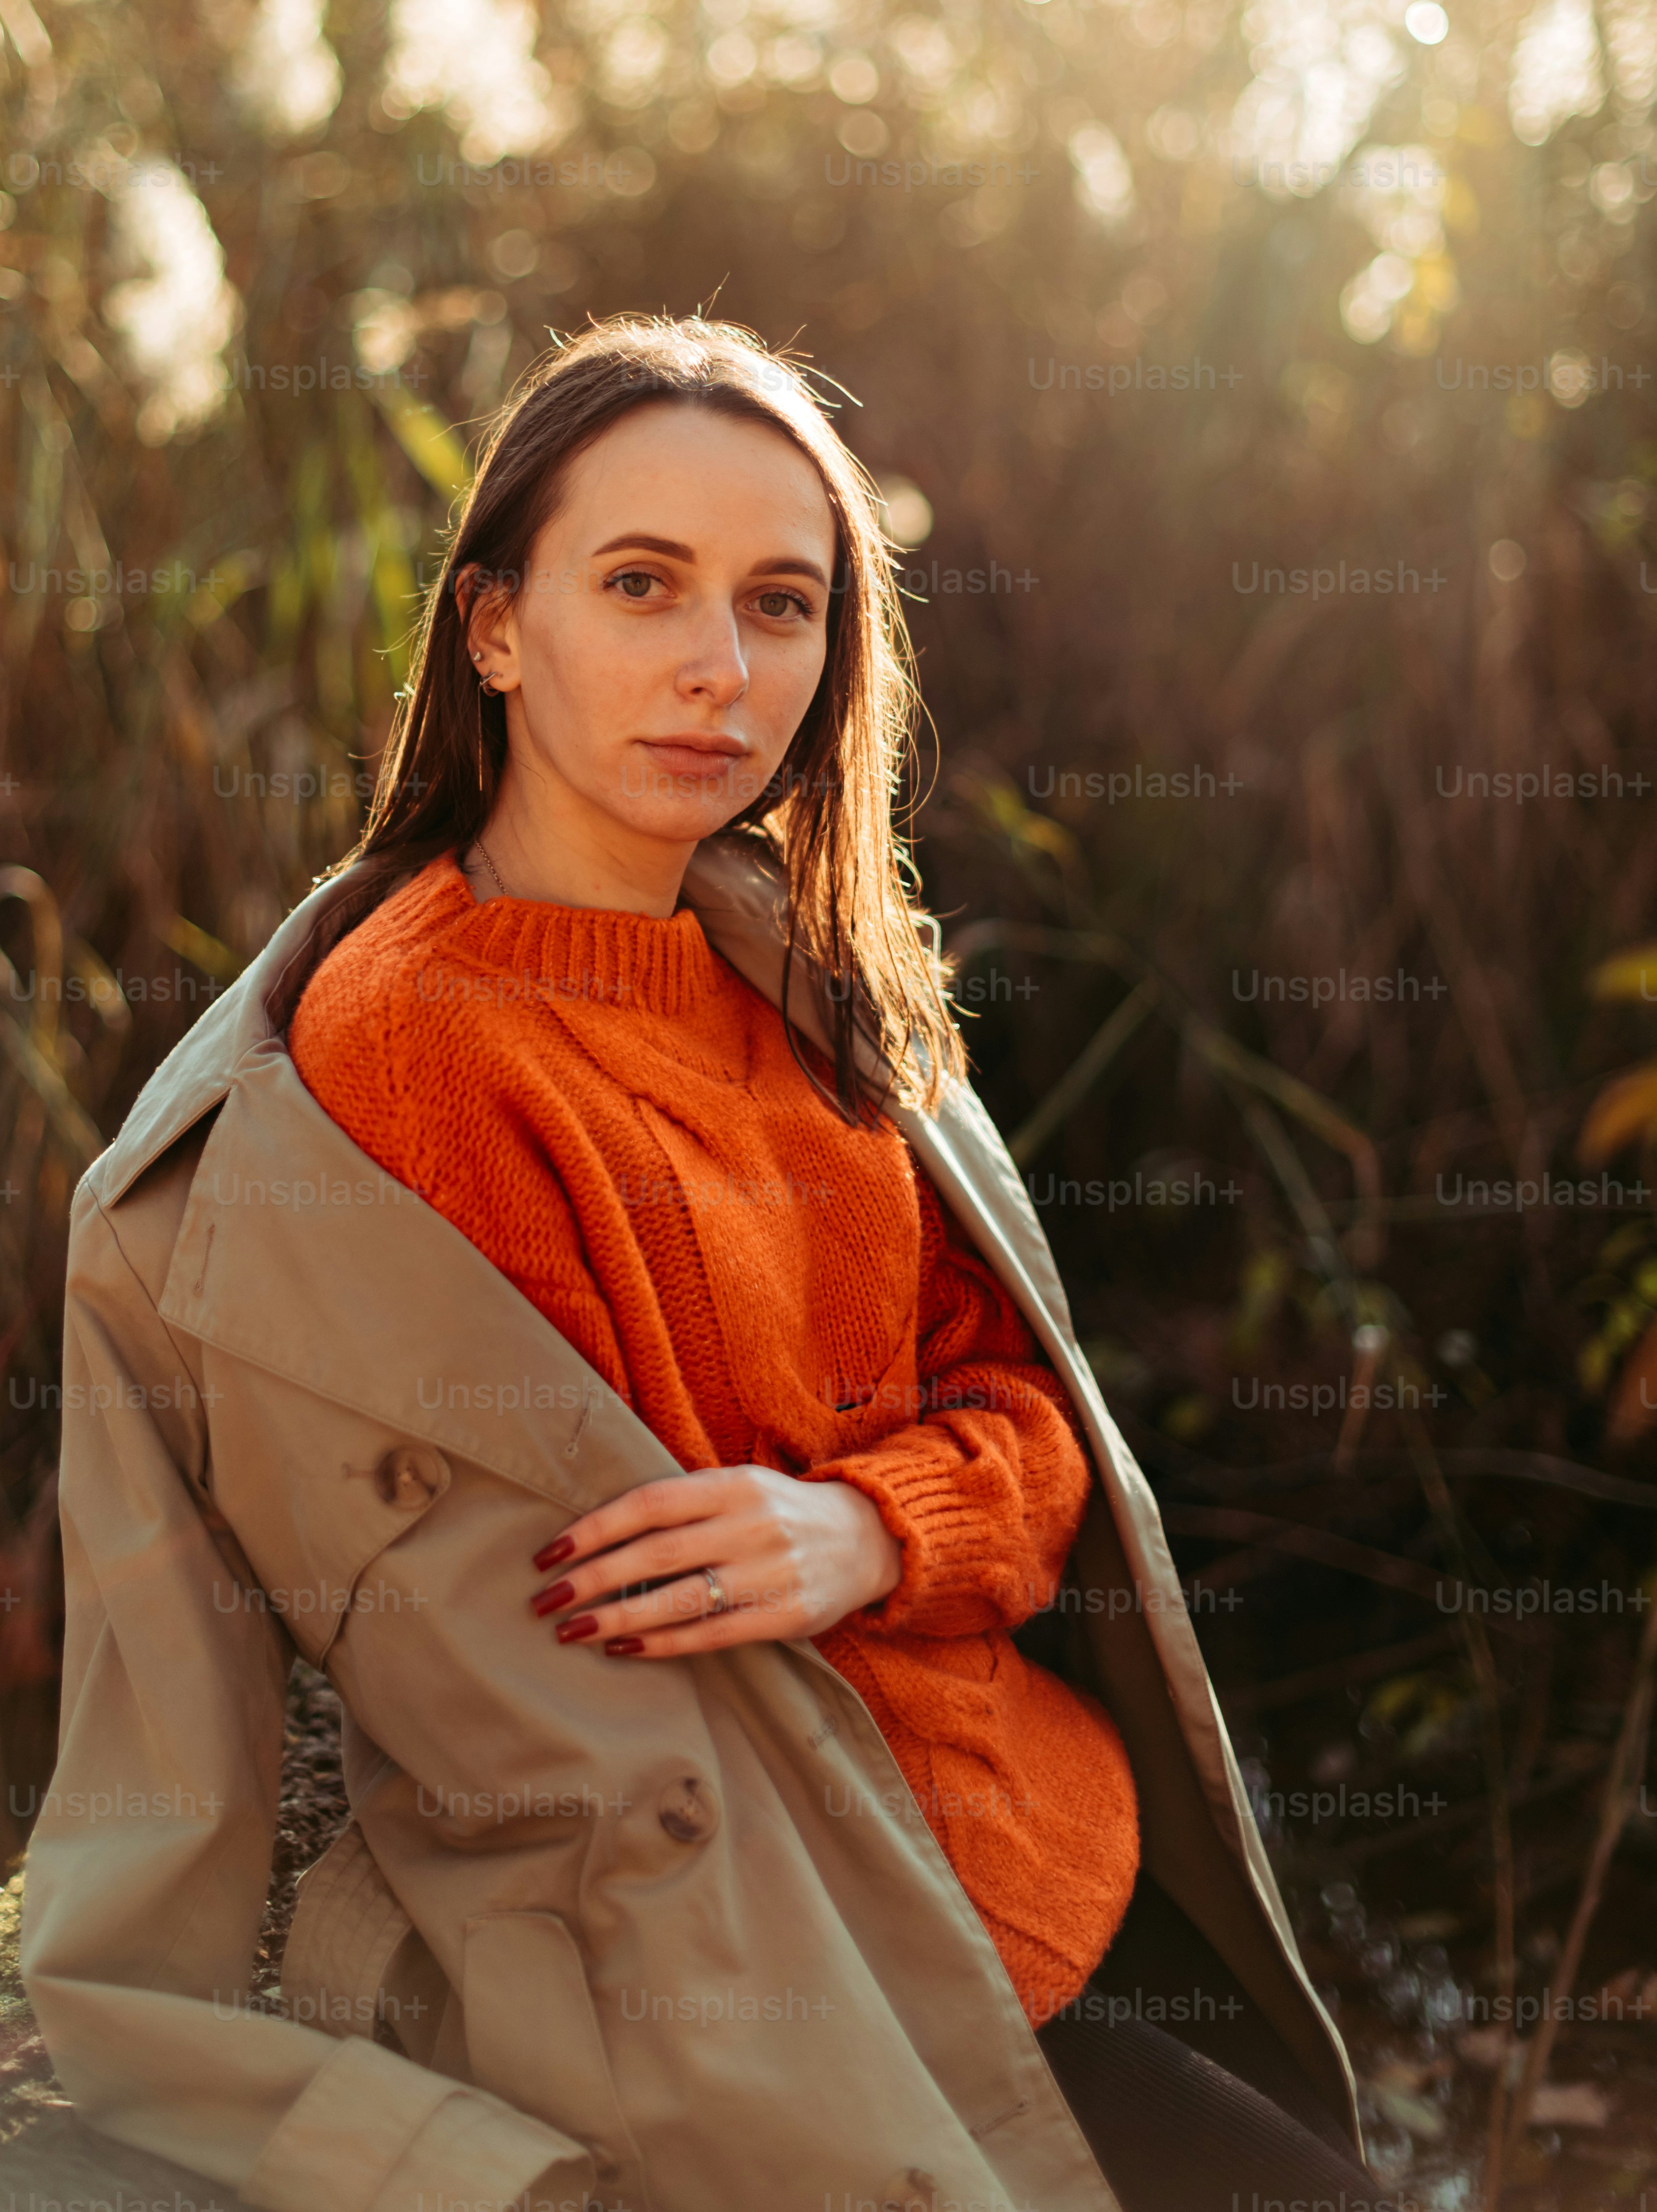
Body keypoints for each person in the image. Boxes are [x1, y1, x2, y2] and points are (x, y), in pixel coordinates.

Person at [274, 313, 1384, 2212]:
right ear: (492, 627)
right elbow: (556, 1641)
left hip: (1038, 1813)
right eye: (641, 584)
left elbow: (1025, 1417)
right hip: (808, 1938)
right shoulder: (417, 1040)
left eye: (780, 603)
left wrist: (866, 1531)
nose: (721, 667)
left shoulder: (792, 955)